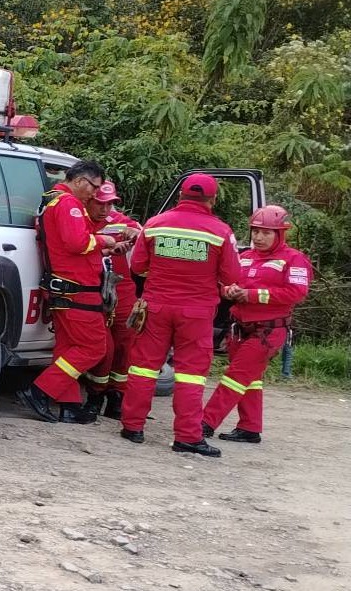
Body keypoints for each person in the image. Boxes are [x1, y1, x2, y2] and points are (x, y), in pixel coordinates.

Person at [120, 173, 241, 456]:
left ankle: (132, 427)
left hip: (156, 306)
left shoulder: (154, 224)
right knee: (190, 375)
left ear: (180, 197)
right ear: (212, 199)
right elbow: (232, 275)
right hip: (197, 313)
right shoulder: (220, 232)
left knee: (142, 367)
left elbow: (137, 267)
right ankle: (187, 436)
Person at [16, 160, 118, 424]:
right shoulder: (68, 203)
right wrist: (104, 241)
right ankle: (39, 391)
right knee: (95, 348)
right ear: (82, 181)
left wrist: (100, 242)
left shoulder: (53, 201)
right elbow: (77, 242)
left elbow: (70, 243)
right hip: (76, 290)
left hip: (64, 288)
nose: (95, 195)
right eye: (94, 188)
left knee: (67, 348)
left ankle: (69, 405)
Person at [202, 205, 312, 443]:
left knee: (235, 376)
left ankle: (205, 423)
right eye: (256, 231)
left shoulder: (294, 259)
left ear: (280, 234)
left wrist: (253, 295)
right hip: (239, 328)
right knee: (249, 379)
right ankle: (250, 428)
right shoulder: (244, 258)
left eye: (267, 232)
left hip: (269, 330)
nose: (259, 237)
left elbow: (297, 292)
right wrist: (228, 290)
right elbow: (224, 282)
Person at [81, 181, 142, 420]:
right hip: (92, 287)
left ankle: (117, 397)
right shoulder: (78, 220)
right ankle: (95, 394)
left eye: (111, 204)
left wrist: (137, 234)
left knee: (126, 344)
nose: (106, 209)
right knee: (103, 347)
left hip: (122, 288)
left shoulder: (122, 222)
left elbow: (148, 237)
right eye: (100, 203)